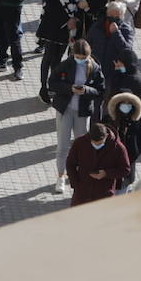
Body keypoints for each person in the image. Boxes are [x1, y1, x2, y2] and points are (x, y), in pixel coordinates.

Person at [49, 40, 105, 195]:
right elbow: (52, 83)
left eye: (83, 57)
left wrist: (86, 90)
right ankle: (61, 176)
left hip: (82, 112)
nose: (80, 59)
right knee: (63, 145)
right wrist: (69, 89)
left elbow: (101, 90)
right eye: (78, 56)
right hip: (65, 110)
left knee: (82, 147)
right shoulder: (66, 64)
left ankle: (81, 174)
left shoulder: (94, 68)